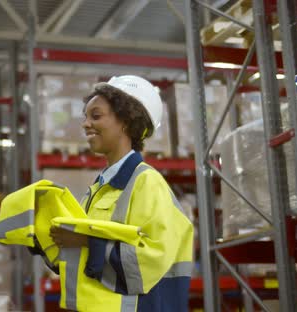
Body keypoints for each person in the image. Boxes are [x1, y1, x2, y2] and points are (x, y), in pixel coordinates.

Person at [48, 75, 194, 311]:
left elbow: (149, 260)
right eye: (85, 117)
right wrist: (47, 241)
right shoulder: (98, 189)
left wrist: (85, 241)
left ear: (125, 121)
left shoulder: (146, 183)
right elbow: (86, 264)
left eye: (95, 116)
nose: (86, 124)